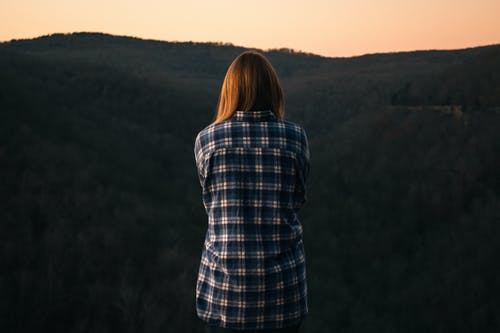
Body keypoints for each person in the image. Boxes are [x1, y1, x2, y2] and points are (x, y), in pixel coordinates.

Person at [193, 50, 310, 332]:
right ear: (273, 89)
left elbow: (211, 204)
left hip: (225, 295)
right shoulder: (295, 138)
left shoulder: (206, 141)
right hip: (284, 295)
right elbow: (298, 198)